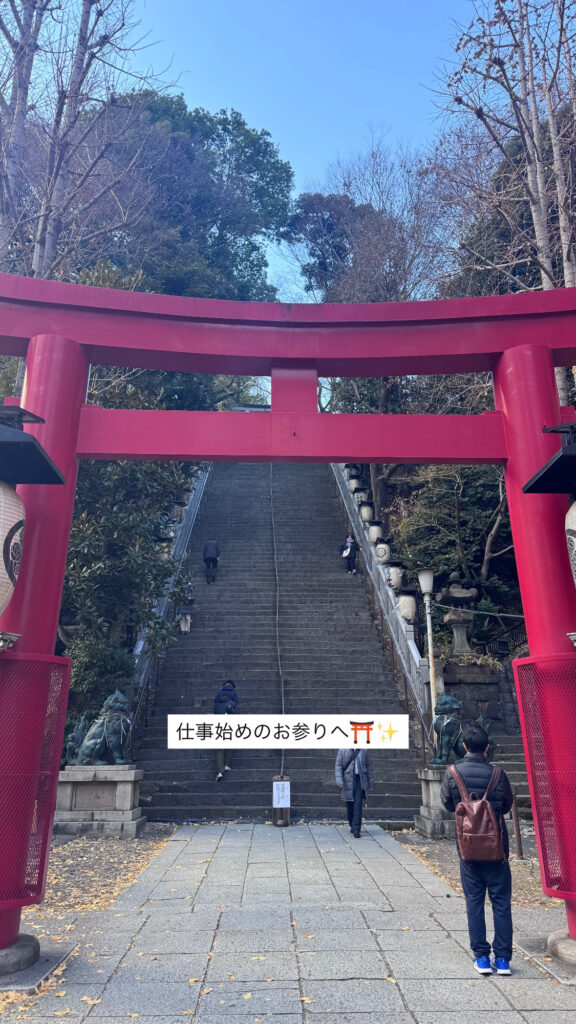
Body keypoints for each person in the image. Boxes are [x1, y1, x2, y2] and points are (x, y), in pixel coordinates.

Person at [440, 724, 514, 977]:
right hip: (496, 847)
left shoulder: (453, 773)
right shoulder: (498, 774)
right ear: (486, 747)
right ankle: (502, 959)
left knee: (474, 901)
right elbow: (506, 805)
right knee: (501, 902)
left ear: (464, 747)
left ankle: (481, 956)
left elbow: (448, 804)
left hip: (468, 847)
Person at [335, 747, 373, 837]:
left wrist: (370, 783)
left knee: (358, 804)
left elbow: (368, 767)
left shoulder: (363, 750)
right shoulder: (343, 749)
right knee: (350, 805)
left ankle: (356, 829)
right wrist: (339, 781)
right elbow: (338, 765)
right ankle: (352, 823)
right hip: (347, 780)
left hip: (360, 780)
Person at [213, 680, 238, 781]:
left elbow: (215, 710)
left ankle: (220, 771)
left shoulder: (219, 695)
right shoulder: (234, 696)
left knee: (219, 749)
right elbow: (236, 709)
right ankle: (227, 764)